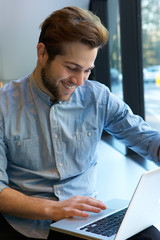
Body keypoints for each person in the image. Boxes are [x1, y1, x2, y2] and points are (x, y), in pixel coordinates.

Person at [0, 6, 160, 240]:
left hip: (85, 222)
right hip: (26, 227)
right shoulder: (4, 106)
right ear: (42, 53)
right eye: (72, 68)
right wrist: (56, 209)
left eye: (87, 70)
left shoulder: (99, 98)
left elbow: (145, 139)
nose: (80, 81)